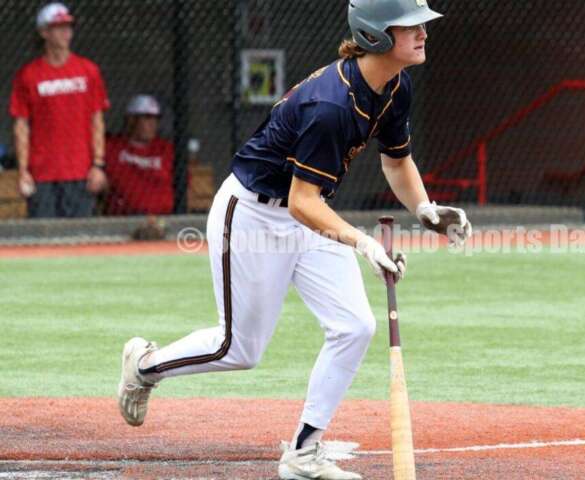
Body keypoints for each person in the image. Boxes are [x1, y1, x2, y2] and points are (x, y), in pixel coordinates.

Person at [116, 1, 471, 479]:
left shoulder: (394, 86)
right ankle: (145, 366)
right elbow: (303, 203)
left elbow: (395, 159)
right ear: (375, 35)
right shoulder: (332, 106)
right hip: (252, 215)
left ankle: (303, 452)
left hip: (307, 211)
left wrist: (425, 209)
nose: (423, 31)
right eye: (410, 24)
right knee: (238, 349)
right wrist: (364, 245)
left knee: (354, 326)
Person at [9, 2, 110, 218]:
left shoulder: (88, 71)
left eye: (68, 26)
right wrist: (24, 171)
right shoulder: (28, 75)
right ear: (44, 32)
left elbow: (97, 120)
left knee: (79, 239)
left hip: (80, 171)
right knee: (44, 241)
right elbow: (21, 126)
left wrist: (98, 165)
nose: (66, 32)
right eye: (58, 26)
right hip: (42, 174)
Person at [104, 95, 174, 215]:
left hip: (164, 215)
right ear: (131, 120)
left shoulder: (166, 149)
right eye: (147, 118)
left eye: (156, 119)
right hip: (124, 216)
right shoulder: (112, 147)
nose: (153, 123)